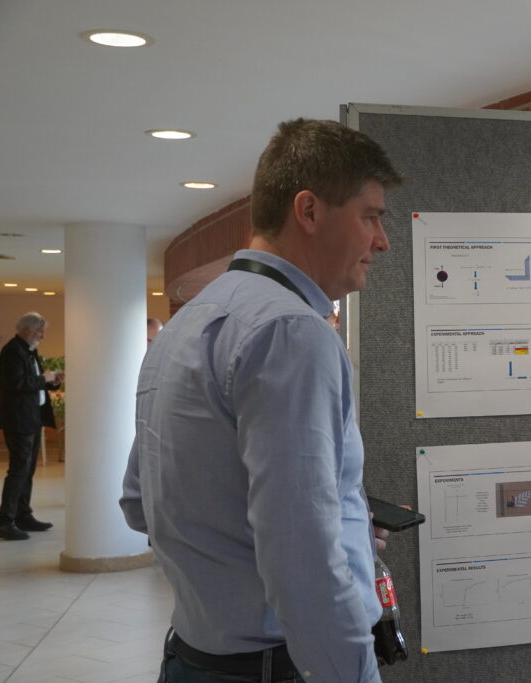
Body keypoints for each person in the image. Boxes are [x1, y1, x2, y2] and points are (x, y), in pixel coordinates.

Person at [120, 118, 402, 682]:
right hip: (273, 668)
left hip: (194, 658)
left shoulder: (187, 323)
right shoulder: (292, 332)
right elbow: (303, 564)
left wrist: (341, 520)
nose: (382, 240)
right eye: (370, 216)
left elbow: (139, 502)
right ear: (310, 211)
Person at [0, 312, 63, 541]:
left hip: (31, 418)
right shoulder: (13, 351)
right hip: (18, 420)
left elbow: (32, 383)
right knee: (19, 470)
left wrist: (51, 381)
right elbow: (16, 383)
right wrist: (44, 378)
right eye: (38, 331)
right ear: (25, 330)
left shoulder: (28, 350)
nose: (42, 336)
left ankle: (23, 514)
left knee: (27, 471)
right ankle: (4, 520)